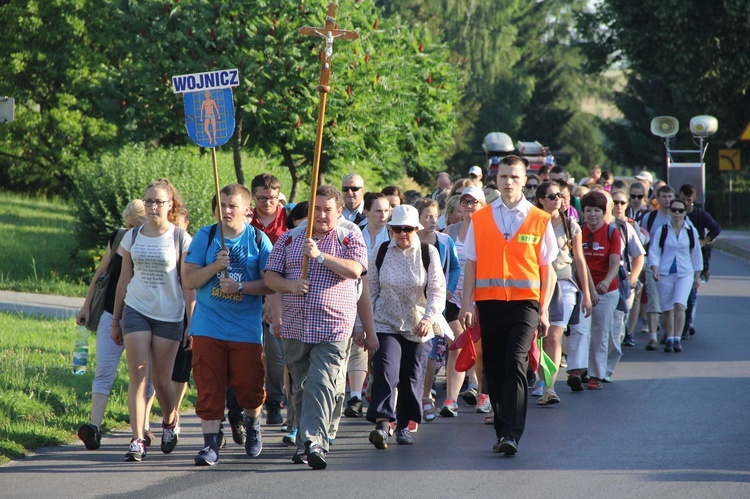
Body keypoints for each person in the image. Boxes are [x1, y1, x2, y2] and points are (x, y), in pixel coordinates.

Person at [264, 185, 368, 470]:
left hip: (333, 327)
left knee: (320, 383)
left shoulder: (350, 236)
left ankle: (314, 442)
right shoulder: (289, 239)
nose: (321, 215)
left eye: (327, 210)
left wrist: (320, 256)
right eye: (316, 210)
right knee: (300, 387)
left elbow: (355, 270)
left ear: (339, 211)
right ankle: (304, 444)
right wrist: (289, 286)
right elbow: (270, 276)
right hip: (297, 327)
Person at [458, 155, 557, 456]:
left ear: (526, 181)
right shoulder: (481, 218)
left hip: (525, 304)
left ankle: (512, 433)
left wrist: (544, 308)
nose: (509, 182)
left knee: (515, 362)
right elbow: (471, 264)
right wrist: (466, 304)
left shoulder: (540, 218)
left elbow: (547, 269)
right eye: (504, 177)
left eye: (515, 177)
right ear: (496, 180)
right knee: (495, 368)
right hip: (489, 304)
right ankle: (502, 430)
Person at [183, 184, 274, 466]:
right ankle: (210, 446)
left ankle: (253, 423)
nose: (226, 211)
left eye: (232, 206)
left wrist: (240, 286)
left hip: (245, 329)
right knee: (209, 387)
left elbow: (269, 284)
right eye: (222, 205)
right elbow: (188, 280)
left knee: (249, 386)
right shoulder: (205, 236)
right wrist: (212, 267)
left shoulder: (259, 240)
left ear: (247, 209)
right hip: (208, 325)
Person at [111, 179, 195, 462]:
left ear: (170, 205)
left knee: (161, 380)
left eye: (158, 201)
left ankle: (170, 420)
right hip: (136, 309)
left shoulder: (179, 237)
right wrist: (116, 319)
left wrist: (191, 321)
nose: (152, 206)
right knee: (137, 372)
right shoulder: (132, 236)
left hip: (169, 314)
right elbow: (123, 279)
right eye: (148, 201)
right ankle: (137, 439)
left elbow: (187, 284)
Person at [366, 205, 446, 448]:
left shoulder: (427, 252)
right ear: (390, 229)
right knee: (386, 370)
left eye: (408, 229)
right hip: (385, 320)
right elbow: (369, 291)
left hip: (418, 324)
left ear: (416, 229)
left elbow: (437, 290)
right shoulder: (380, 251)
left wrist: (428, 319)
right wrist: (364, 327)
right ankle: (382, 422)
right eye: (397, 229)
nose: (402, 233)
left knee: (411, 377)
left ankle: (403, 426)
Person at [76, 200, 152, 451]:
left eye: (135, 226)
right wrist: (87, 305)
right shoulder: (119, 237)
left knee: (144, 374)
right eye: (127, 225)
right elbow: (101, 274)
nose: (130, 230)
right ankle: (94, 427)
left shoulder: (158, 240)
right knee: (104, 370)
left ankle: (145, 428)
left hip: (145, 315)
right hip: (111, 311)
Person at [533, 181, 591, 405]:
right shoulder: (532, 223)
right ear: (541, 200)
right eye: (551, 195)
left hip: (564, 283)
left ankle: (549, 387)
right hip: (536, 284)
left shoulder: (570, 225)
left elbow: (579, 259)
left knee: (555, 336)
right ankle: (541, 379)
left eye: (559, 194)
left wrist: (586, 294)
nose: (557, 198)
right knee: (539, 336)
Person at [440, 186, 488, 418]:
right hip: (454, 299)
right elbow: (440, 264)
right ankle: (450, 400)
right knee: (457, 347)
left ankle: (482, 395)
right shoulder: (450, 231)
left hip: (480, 299)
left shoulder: (489, 230)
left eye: (474, 202)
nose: (469, 206)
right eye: (465, 202)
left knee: (479, 351)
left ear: (483, 205)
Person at [567, 190, 621, 391]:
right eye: (588, 210)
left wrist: (606, 281)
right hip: (583, 290)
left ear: (603, 212)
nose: (592, 215)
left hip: (607, 290)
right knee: (580, 329)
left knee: (600, 332)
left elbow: (615, 262)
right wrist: (590, 289)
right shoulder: (577, 231)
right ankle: (575, 370)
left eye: (597, 211)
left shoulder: (612, 232)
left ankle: (596, 375)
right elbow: (577, 262)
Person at [343, 192, 391, 419]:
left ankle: (376, 389)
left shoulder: (393, 234)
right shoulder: (354, 232)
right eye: (379, 211)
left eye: (387, 210)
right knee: (358, 345)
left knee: (379, 348)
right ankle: (355, 396)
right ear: (368, 212)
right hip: (357, 294)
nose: (384, 215)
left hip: (385, 298)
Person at [416, 199, 460, 420]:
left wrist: (449, 289)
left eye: (435, 216)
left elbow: (454, 267)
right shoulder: (409, 239)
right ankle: (411, 397)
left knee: (431, 351)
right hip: (411, 305)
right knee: (413, 352)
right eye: (427, 216)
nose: (432, 221)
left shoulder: (444, 241)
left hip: (435, 305)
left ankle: (426, 396)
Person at [249, 173, 287, 427]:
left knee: (275, 353)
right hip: (249, 291)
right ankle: (250, 401)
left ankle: (274, 399)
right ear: (253, 197)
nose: (267, 203)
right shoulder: (246, 219)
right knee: (251, 352)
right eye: (261, 198)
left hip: (280, 294)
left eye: (272, 197)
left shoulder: (289, 219)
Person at [648, 199, 702, 353]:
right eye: (674, 210)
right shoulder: (663, 230)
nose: (677, 213)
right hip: (665, 273)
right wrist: (655, 268)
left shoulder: (690, 231)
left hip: (684, 273)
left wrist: (697, 275)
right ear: (670, 211)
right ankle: (669, 338)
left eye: (680, 210)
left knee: (680, 305)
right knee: (667, 308)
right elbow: (654, 251)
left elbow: (696, 254)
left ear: (685, 213)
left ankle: (677, 339)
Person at [607, 190, 645, 377]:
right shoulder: (589, 226)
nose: (618, 205)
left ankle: (607, 368)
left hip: (621, 280)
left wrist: (632, 279)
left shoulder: (625, 228)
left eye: (622, 202)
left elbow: (639, 255)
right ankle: (594, 367)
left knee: (616, 324)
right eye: (614, 201)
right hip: (596, 281)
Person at [679, 184, 721, 339]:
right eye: (683, 199)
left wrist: (704, 241)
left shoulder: (699, 215)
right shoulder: (676, 213)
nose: (685, 203)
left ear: (694, 199)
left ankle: (687, 325)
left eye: (689, 200)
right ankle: (678, 323)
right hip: (678, 258)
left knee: (691, 295)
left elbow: (716, 228)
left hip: (695, 259)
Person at [640, 185, 675, 350]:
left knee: (670, 303)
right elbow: (643, 238)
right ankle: (653, 337)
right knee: (653, 300)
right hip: (653, 263)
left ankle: (669, 336)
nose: (667, 200)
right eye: (664, 196)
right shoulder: (650, 217)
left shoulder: (679, 216)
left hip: (673, 266)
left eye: (670, 196)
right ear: (657, 198)